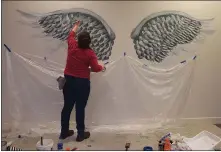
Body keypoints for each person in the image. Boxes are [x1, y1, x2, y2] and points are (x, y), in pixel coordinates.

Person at [60, 21, 105, 142]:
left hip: (69, 81)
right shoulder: (90, 54)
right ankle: (80, 134)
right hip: (82, 84)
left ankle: (64, 132)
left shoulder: (72, 46)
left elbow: (70, 35)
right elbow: (95, 68)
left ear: (78, 41)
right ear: (89, 42)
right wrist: (103, 67)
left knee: (67, 107)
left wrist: (76, 25)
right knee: (80, 108)